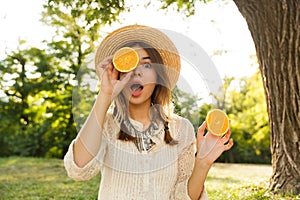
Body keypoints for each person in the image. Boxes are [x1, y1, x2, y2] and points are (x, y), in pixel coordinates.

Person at [64, 24, 234, 200]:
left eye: (146, 65)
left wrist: (202, 163)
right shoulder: (105, 124)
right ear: (118, 73)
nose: (137, 72)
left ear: (157, 75)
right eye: (130, 65)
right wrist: (105, 95)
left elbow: (183, 197)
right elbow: (78, 169)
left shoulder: (182, 129)